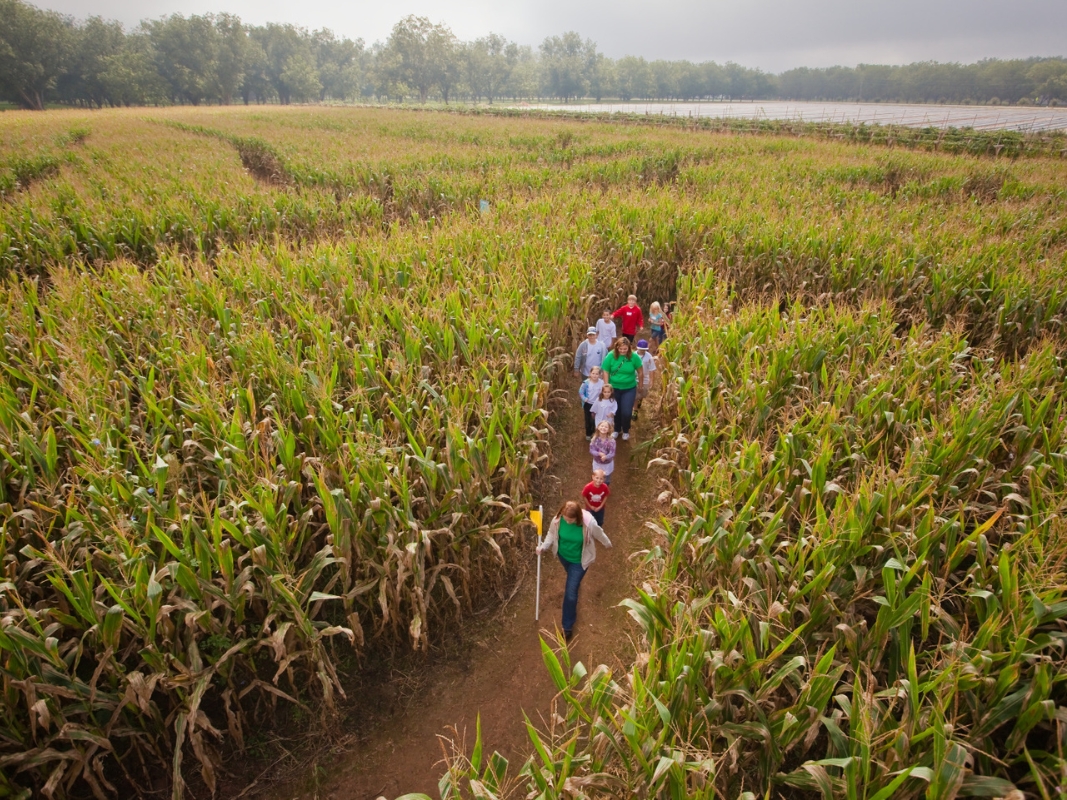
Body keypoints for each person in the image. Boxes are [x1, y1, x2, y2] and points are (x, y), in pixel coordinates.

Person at [536, 500, 612, 642]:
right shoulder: (558, 520)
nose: (568, 522)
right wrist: (543, 547)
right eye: (566, 518)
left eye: (571, 520)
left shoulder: (588, 523)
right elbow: (551, 535)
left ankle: (567, 626)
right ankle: (574, 582)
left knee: (570, 593)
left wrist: (607, 543)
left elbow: (599, 533)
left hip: (579, 561)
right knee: (572, 580)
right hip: (563, 556)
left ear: (577, 517)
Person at [599, 338, 643, 440]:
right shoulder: (610, 356)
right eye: (620, 349)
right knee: (616, 410)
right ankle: (617, 429)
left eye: (625, 349)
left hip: (629, 388)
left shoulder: (634, 357)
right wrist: (606, 386)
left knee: (626, 412)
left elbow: (640, 371)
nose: (623, 351)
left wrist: (640, 385)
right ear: (617, 347)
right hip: (614, 388)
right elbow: (606, 371)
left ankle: (626, 430)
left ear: (629, 348)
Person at [578, 367, 605, 440]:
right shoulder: (586, 383)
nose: (594, 375)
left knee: (596, 419)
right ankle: (588, 433)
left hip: (597, 404)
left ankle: (595, 433)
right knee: (588, 419)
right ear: (590, 373)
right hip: (588, 404)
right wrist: (584, 399)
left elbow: (604, 392)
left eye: (597, 374)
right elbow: (581, 392)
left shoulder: (602, 383)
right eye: (593, 373)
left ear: (600, 375)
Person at [634, 339, 657, 421]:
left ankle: (641, 400)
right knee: (635, 396)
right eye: (641, 349)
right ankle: (635, 411)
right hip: (634, 379)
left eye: (644, 350)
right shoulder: (633, 355)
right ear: (637, 348)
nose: (642, 351)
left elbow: (652, 369)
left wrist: (651, 381)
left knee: (642, 393)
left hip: (645, 379)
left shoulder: (649, 357)